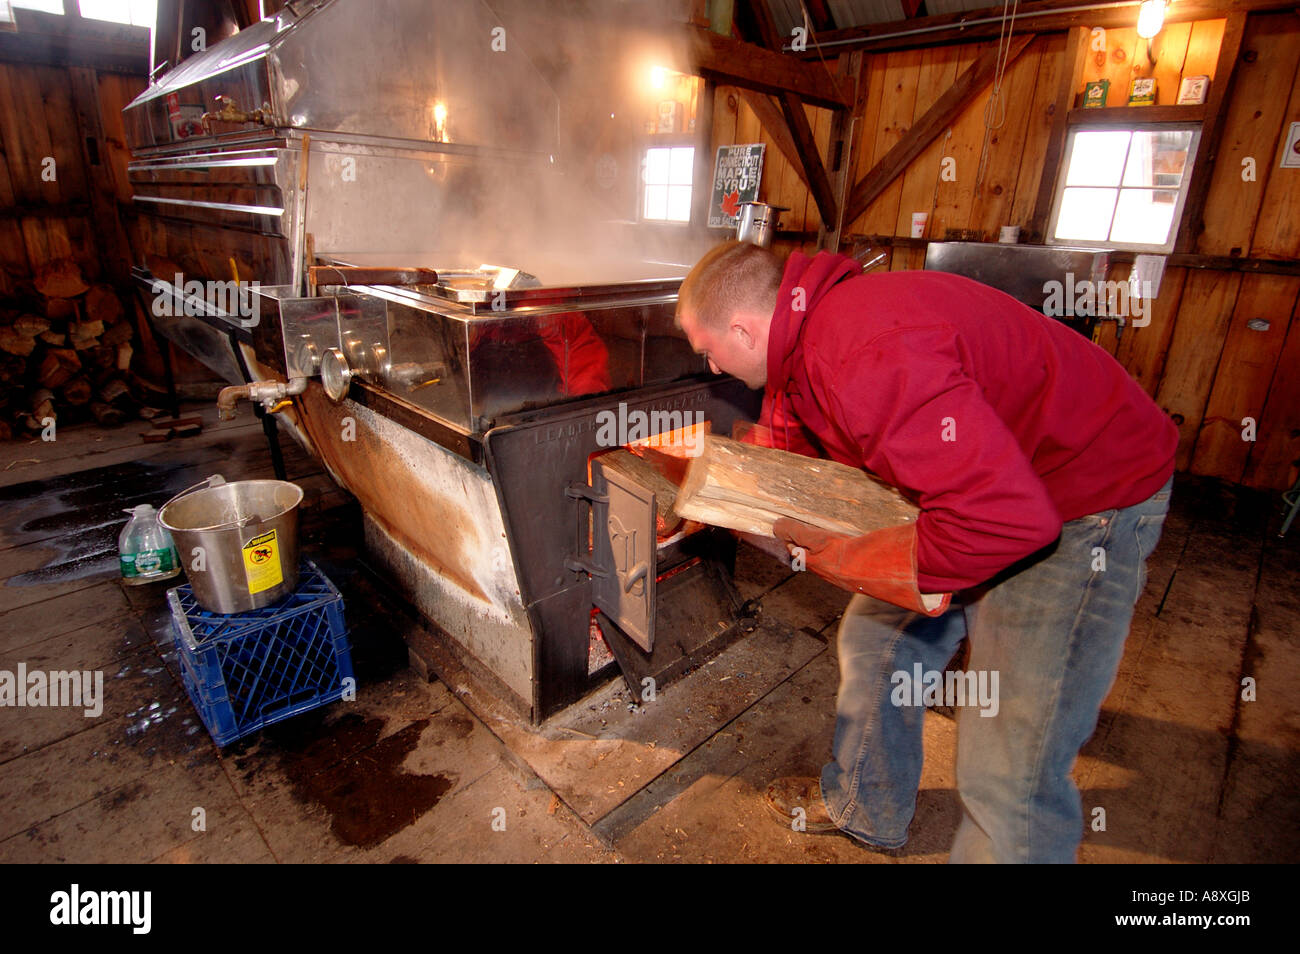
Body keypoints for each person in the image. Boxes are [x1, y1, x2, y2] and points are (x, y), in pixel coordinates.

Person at [674, 240, 1177, 863]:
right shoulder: (811, 332)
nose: (714, 367)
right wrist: (731, 499)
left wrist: (848, 559)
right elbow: (793, 424)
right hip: (990, 489)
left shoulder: (862, 351)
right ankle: (869, 805)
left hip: (1083, 501)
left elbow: (1005, 521)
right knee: (878, 639)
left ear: (744, 329)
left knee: (1009, 768)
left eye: (709, 350)